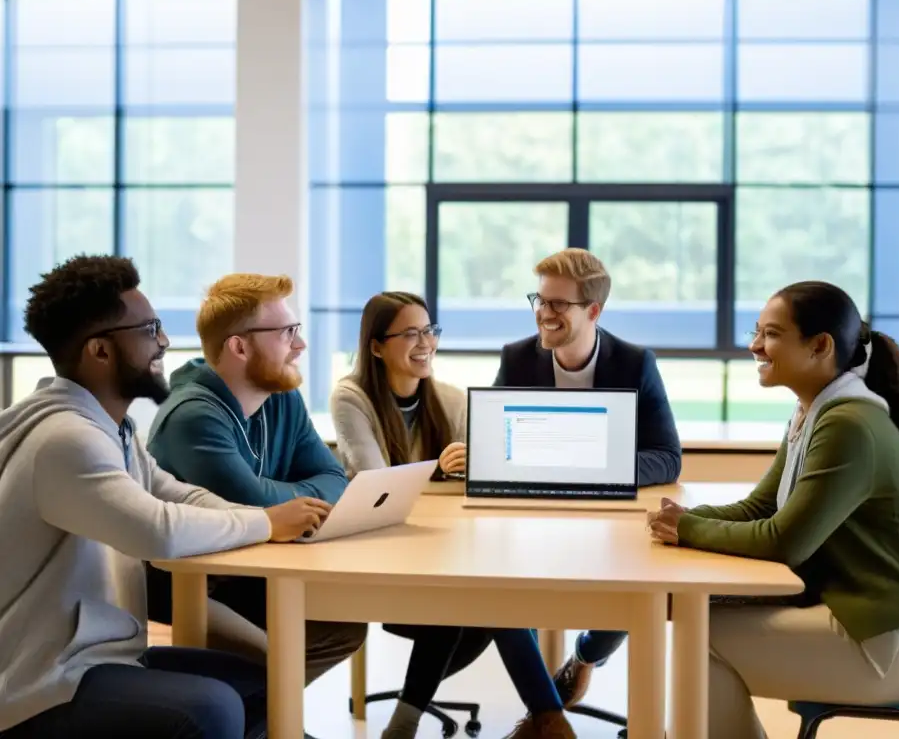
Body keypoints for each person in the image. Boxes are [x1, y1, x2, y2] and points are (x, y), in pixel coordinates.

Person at [0, 255, 332, 739]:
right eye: (150, 329)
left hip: (100, 655)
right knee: (210, 708)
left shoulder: (111, 428)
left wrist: (267, 515)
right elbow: (156, 529)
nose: (165, 341)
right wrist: (266, 523)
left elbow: (177, 494)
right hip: (41, 680)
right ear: (100, 351)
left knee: (262, 683)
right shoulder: (65, 439)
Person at [645, 280, 899, 739]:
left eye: (770, 334)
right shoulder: (815, 411)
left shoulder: (849, 425)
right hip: (875, 620)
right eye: (757, 331)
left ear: (820, 346)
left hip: (898, 644)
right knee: (699, 624)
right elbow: (761, 506)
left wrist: (689, 528)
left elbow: (784, 541)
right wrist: (679, 520)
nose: (754, 345)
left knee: (700, 638)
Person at [331, 292, 574, 739]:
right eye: (409, 333)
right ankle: (548, 718)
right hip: (383, 557)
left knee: (485, 596)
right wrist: (442, 471)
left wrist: (479, 467)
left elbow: (485, 482)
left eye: (429, 330)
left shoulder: (451, 400)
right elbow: (376, 481)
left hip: (441, 550)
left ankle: (409, 723)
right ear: (376, 346)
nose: (425, 342)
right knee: (481, 600)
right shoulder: (352, 397)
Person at [146, 273, 367, 688]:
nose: (299, 345)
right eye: (287, 333)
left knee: (343, 625)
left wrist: (286, 503)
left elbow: (334, 476)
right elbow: (253, 505)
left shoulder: (281, 395)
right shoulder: (193, 417)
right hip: (192, 583)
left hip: (253, 565)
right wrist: (284, 503)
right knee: (278, 656)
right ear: (240, 346)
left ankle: (265, 719)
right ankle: (269, 719)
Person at [498, 248, 682, 707]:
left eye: (558, 304)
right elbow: (494, 444)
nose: (544, 313)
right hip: (530, 519)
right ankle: (546, 714)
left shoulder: (635, 363)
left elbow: (666, 457)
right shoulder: (517, 359)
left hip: (610, 522)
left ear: (593, 311)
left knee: (641, 584)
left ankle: (584, 656)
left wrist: (597, 468)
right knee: (496, 592)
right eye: (539, 300)